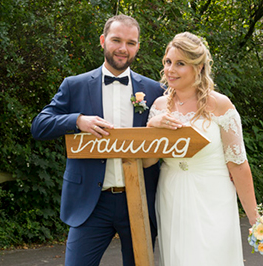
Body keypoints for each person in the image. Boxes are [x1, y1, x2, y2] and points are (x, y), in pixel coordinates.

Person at [31, 15, 164, 266]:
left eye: (131, 42)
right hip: (90, 203)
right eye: (116, 40)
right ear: (103, 41)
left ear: (138, 47)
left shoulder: (155, 90)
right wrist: (77, 120)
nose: (123, 48)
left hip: (139, 201)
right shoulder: (75, 85)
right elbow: (40, 126)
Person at [144, 32, 260, 266]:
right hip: (172, 195)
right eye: (168, 62)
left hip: (213, 197)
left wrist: (255, 219)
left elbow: (238, 164)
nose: (170, 70)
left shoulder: (220, 105)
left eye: (180, 63)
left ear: (198, 67)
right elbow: (148, 162)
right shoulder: (158, 106)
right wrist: (152, 126)